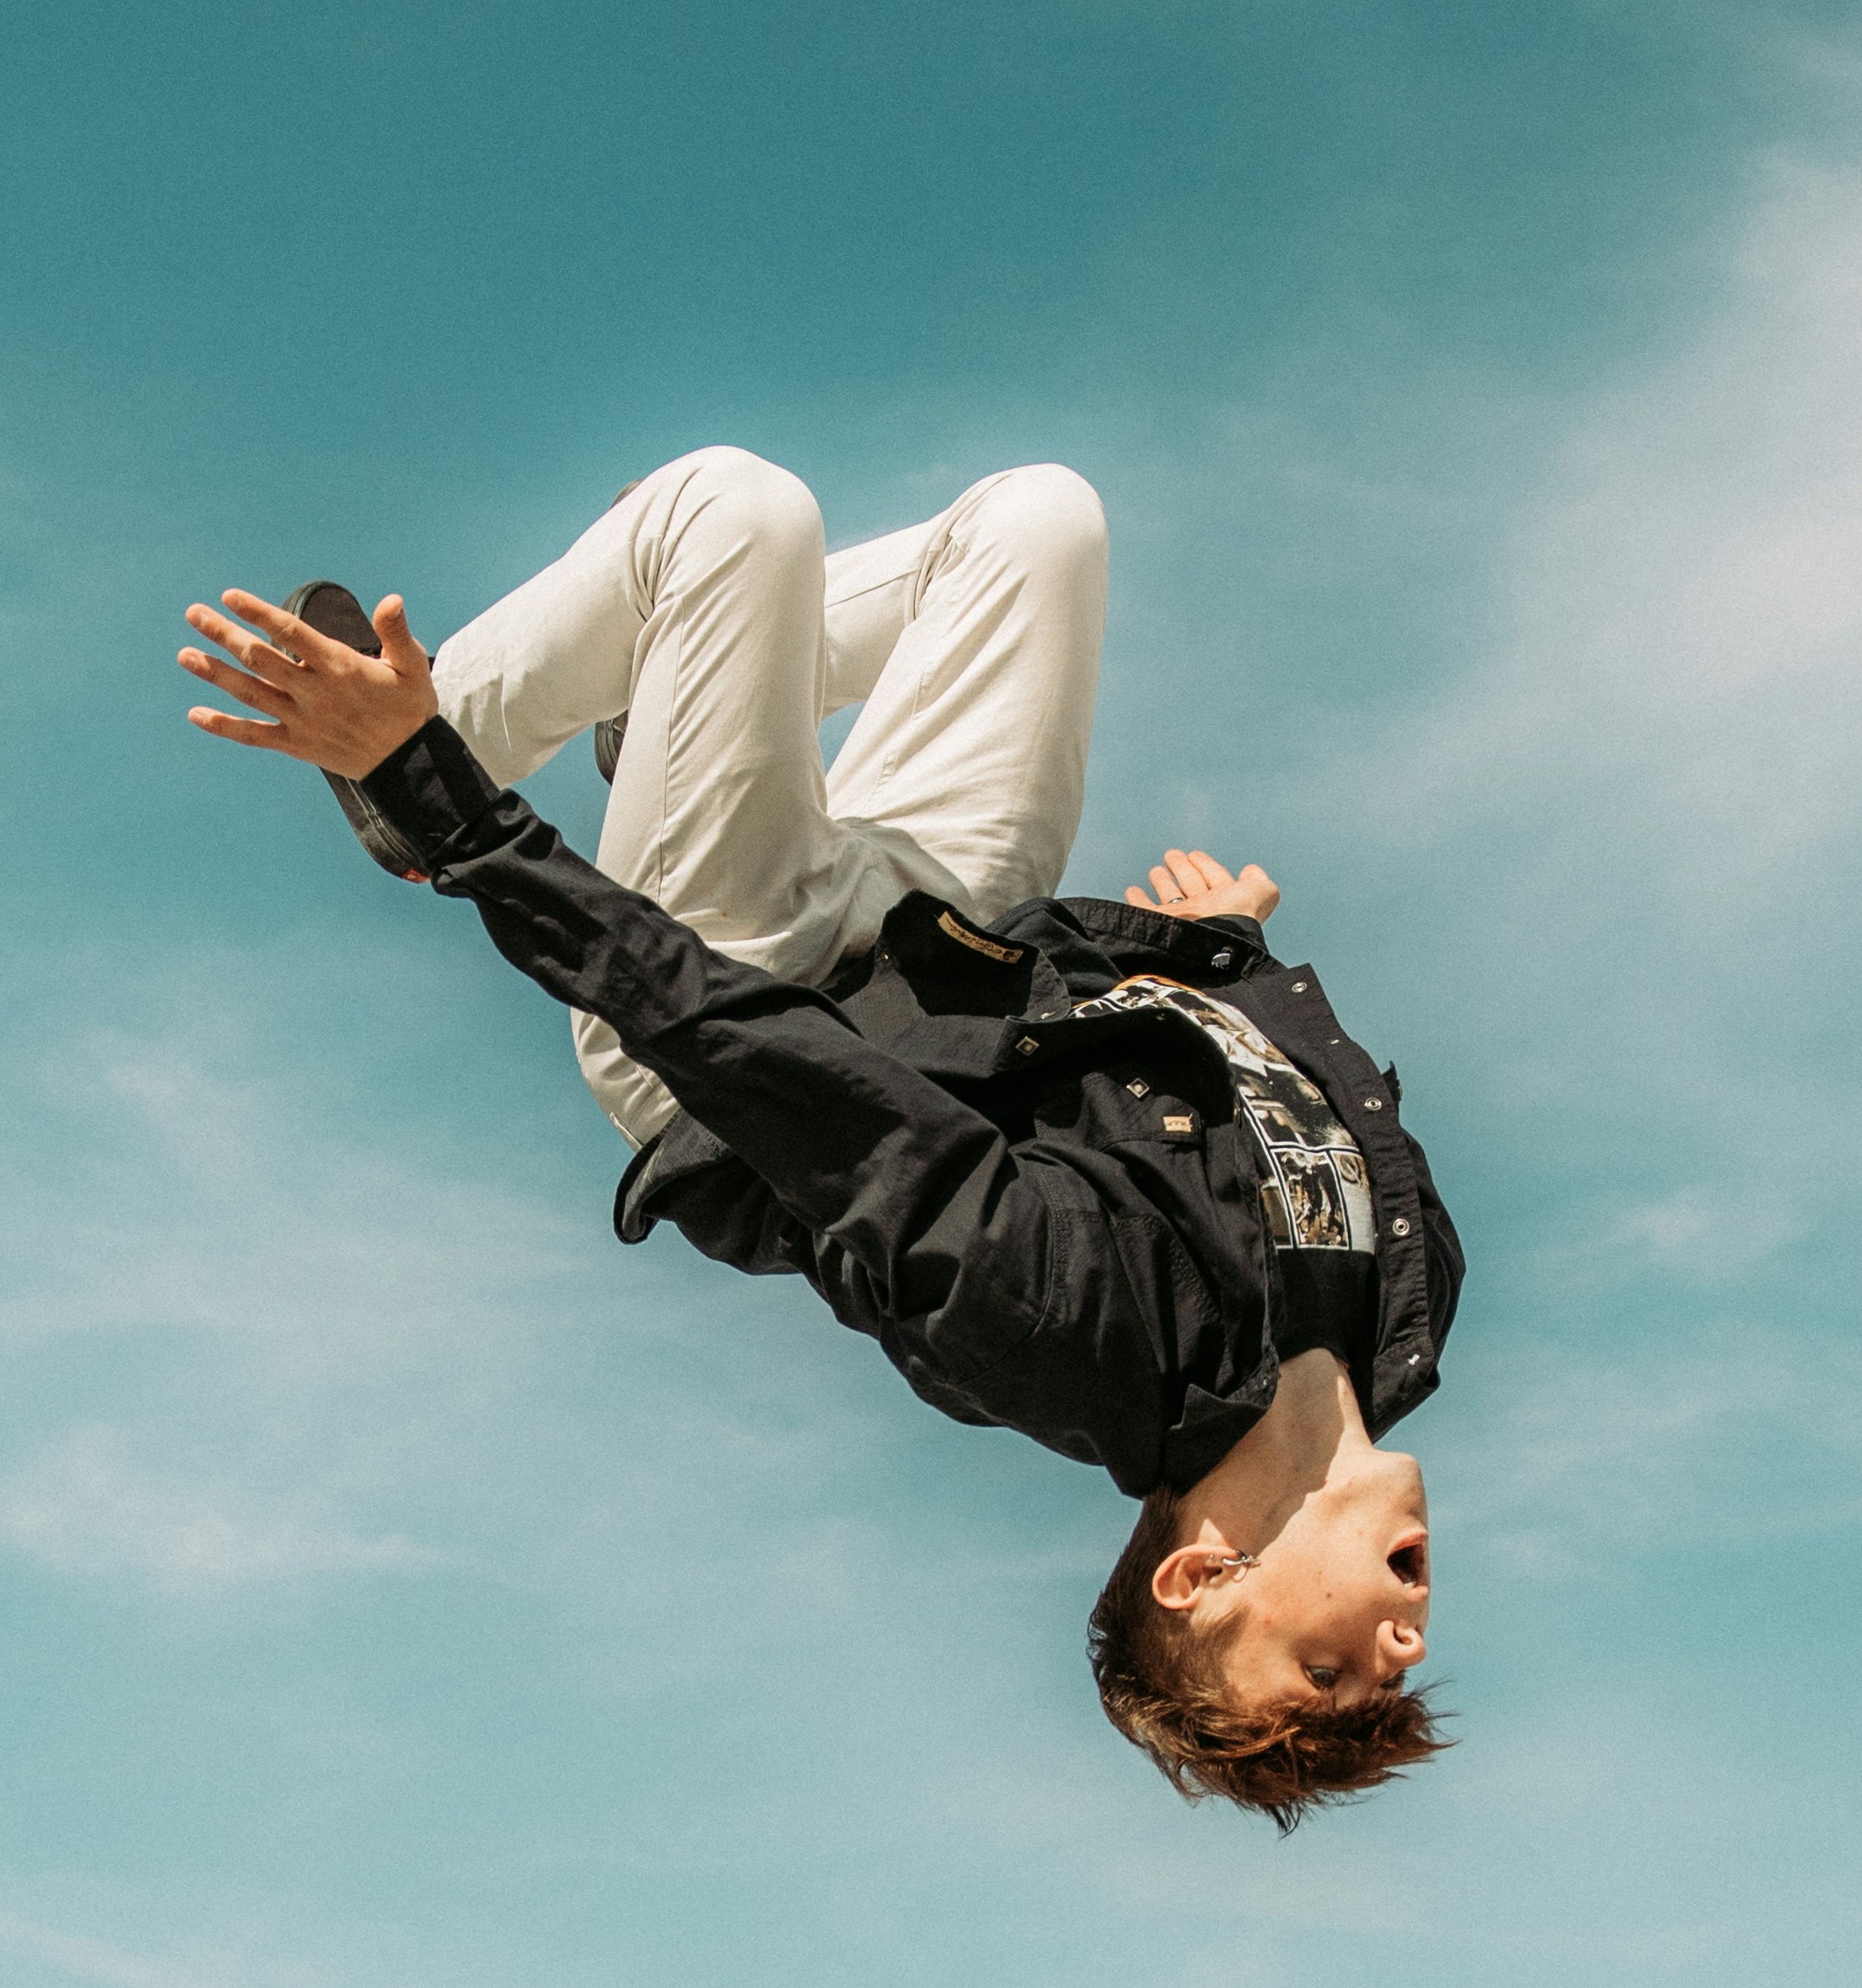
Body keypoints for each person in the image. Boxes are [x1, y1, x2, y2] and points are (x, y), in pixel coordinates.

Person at [179, 447, 1458, 1829]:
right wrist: (1222, 953)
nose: (1399, 1647)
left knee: (731, 513)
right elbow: (1234, 1073)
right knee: (1036, 524)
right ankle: (671, 714)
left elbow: (755, 1056)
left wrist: (440, 797)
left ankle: (431, 735)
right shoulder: (1406, 1310)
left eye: (1320, 1670)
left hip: (736, 1003)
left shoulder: (1071, 1341)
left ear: (1199, 1577)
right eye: (1387, 1674)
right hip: (946, 941)